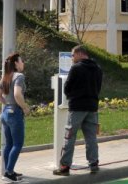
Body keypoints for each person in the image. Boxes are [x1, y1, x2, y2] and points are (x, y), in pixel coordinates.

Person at [53, 45, 103, 177]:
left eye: (73, 55)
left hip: (76, 107)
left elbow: (67, 87)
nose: (71, 58)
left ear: (80, 54)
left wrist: (71, 97)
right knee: (91, 137)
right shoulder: (97, 68)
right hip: (92, 107)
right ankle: (94, 164)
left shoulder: (76, 68)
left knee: (69, 137)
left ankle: (64, 167)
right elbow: (98, 88)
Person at [0, 53, 30, 182]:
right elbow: (17, 94)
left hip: (5, 113)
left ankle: (8, 170)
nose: (23, 63)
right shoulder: (19, 76)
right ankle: (9, 173)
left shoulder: (6, 77)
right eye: (21, 61)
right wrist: (25, 107)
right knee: (17, 144)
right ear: (16, 63)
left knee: (9, 144)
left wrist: (7, 104)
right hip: (15, 114)